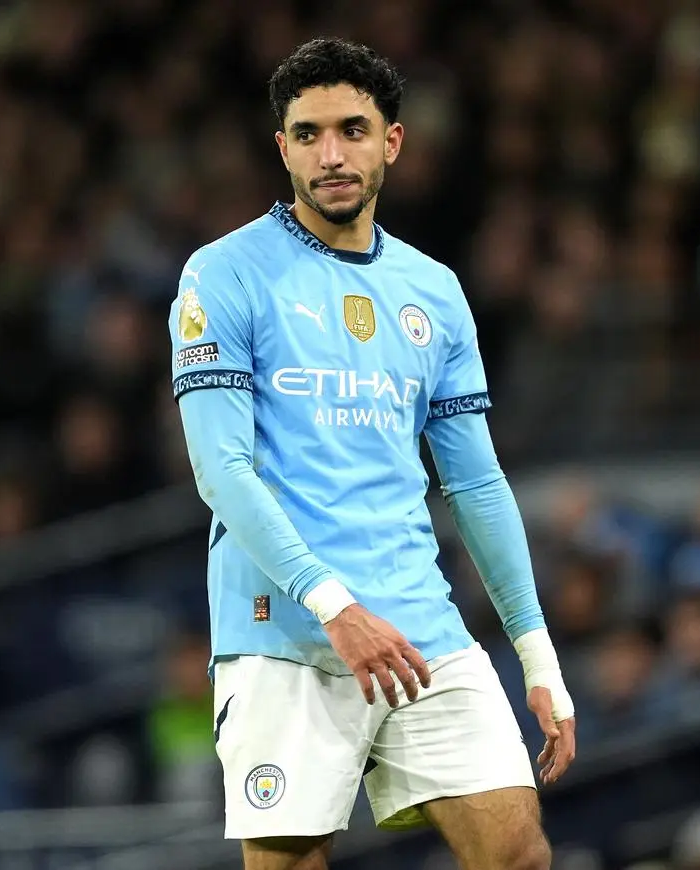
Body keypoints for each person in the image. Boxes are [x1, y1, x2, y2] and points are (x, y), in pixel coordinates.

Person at [168, 38, 575, 870]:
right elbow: (221, 471)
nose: (331, 154)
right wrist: (334, 608)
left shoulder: (434, 290)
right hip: (283, 630)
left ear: (391, 140)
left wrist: (536, 654)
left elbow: (475, 481)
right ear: (282, 148)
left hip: (420, 625)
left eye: (352, 130)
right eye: (308, 135)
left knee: (519, 856)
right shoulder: (224, 275)